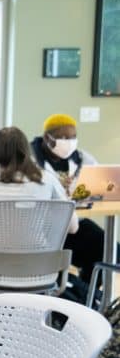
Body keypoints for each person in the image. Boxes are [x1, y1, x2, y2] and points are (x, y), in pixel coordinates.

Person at [30, 114, 109, 287]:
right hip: (39, 228)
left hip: (71, 225)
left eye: (73, 137)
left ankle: (88, 293)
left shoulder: (83, 159)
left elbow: (98, 184)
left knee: (107, 249)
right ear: (47, 138)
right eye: (63, 137)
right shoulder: (29, 159)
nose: (69, 142)